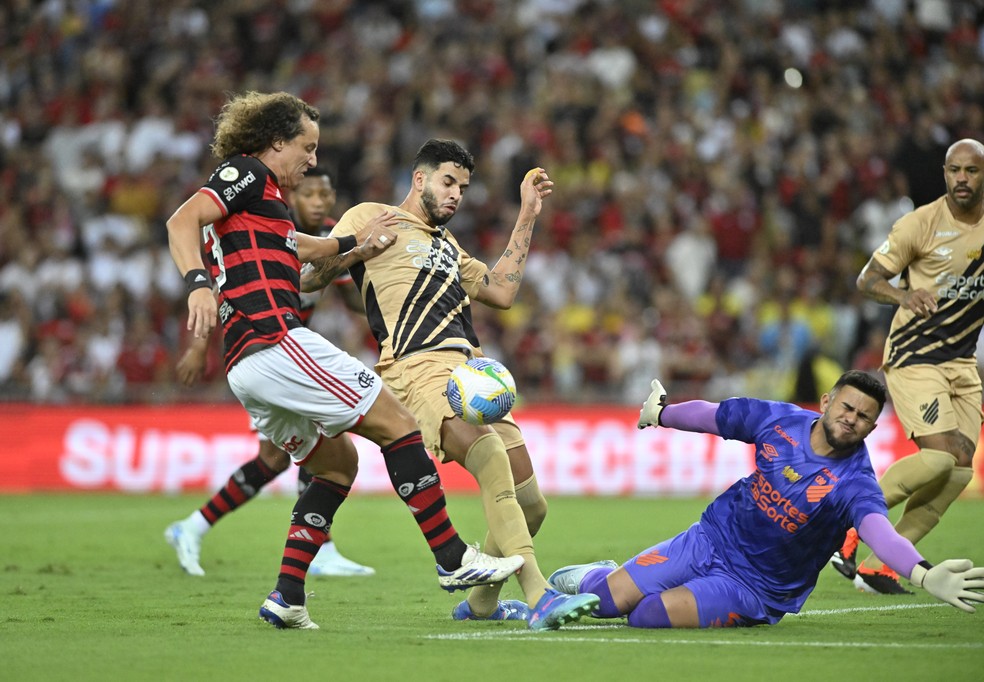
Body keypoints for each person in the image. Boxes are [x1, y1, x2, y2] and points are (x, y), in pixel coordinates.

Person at [165, 92, 524, 630]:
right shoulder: (245, 174)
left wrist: (357, 243)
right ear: (275, 142)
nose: (311, 161)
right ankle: (454, 560)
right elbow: (181, 219)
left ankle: (286, 597)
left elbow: (301, 250)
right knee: (399, 425)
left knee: (337, 465)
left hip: (244, 366)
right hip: (275, 339)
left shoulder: (266, 207)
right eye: (305, 149)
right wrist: (196, 284)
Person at [301, 138, 600, 630]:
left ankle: (481, 605)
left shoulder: (448, 246)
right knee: (489, 457)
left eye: (463, 186)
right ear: (419, 179)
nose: (457, 194)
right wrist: (360, 246)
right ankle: (541, 596)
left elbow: (501, 291)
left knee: (532, 505)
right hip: (417, 367)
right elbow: (312, 278)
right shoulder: (370, 216)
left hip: (471, 372)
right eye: (448, 182)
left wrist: (527, 212)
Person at [545, 372, 984, 628]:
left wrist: (925, 575)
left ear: (872, 427)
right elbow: (714, 417)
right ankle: (600, 576)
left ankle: (628, 582)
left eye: (864, 416)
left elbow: (881, 535)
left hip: (756, 587)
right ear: (827, 402)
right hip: (709, 539)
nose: (852, 419)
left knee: (647, 616)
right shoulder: (780, 421)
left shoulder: (856, 483)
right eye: (847, 407)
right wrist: (661, 413)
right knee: (606, 603)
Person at [164, 167, 374, 578]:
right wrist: (197, 347)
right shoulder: (265, 225)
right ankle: (321, 549)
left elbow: (349, 299)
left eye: (324, 194)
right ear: (292, 198)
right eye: (309, 193)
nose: (317, 201)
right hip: (264, 349)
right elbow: (224, 290)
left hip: (290, 350)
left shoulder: (328, 234)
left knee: (276, 459)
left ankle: (193, 526)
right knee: (318, 441)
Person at [830, 138, 984, 595]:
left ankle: (880, 565)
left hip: (962, 362)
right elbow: (867, 279)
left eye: (971, 171)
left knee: (959, 469)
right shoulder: (919, 224)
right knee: (937, 456)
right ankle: (849, 524)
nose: (961, 178)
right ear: (943, 173)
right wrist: (903, 295)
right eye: (954, 170)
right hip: (916, 356)